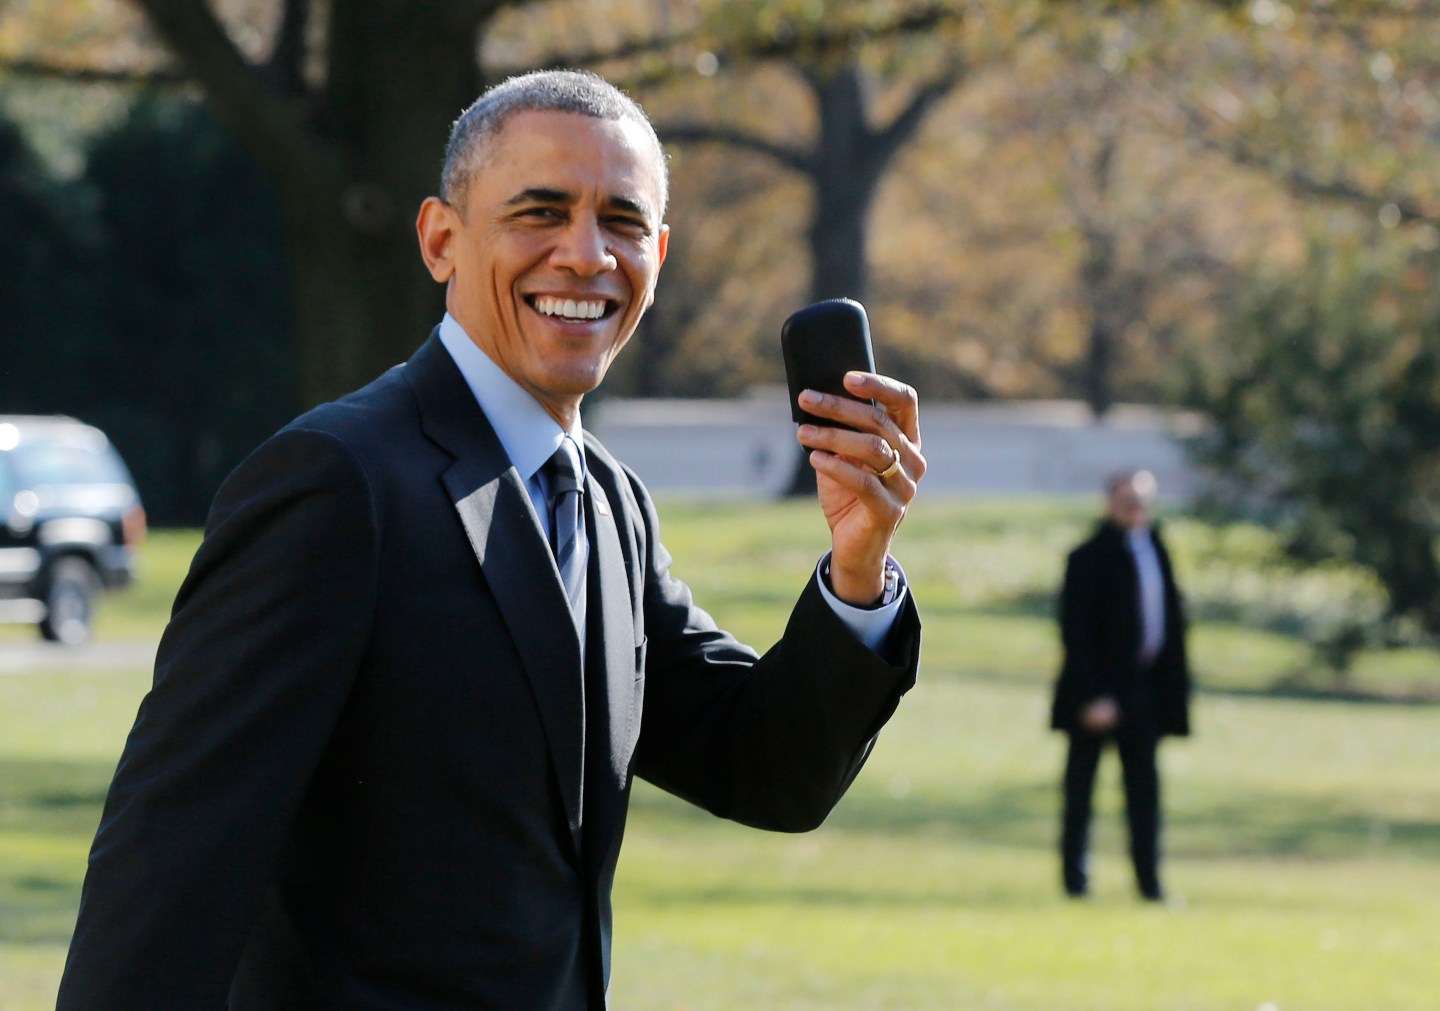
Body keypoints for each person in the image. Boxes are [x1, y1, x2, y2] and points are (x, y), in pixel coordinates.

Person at [56, 69, 924, 1010]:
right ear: (440, 238)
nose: (585, 255)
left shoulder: (609, 504)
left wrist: (858, 564)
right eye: (540, 212)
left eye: (622, 222)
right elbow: (172, 856)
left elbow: (766, 769)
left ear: (659, 253)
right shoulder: (333, 483)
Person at [1050, 470, 1190, 902]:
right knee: (1080, 793)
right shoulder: (1087, 556)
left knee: (1144, 795)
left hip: (1144, 694)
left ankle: (1149, 884)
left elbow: (1170, 627)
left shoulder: (1158, 551)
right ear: (1110, 502)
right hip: (1095, 695)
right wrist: (1094, 696)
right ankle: (1075, 883)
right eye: (1126, 498)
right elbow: (1076, 633)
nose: (1134, 507)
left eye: (1141, 499)